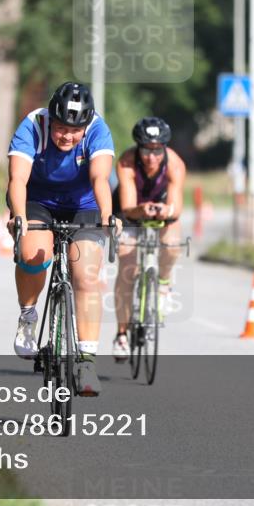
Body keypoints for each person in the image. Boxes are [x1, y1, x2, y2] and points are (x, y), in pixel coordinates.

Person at [6, 81, 119, 396]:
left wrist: (108, 216)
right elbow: (17, 178)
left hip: (84, 204)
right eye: (60, 128)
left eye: (75, 130)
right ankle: (28, 315)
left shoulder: (98, 129)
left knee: (86, 276)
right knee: (33, 254)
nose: (67, 135)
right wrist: (18, 217)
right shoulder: (32, 125)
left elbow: (99, 177)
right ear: (50, 120)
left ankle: (85, 360)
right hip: (38, 200)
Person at [111, 117, 186, 362]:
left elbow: (177, 208)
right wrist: (142, 211)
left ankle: (163, 284)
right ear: (138, 147)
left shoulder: (175, 164)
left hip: (162, 208)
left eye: (156, 151)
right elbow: (128, 207)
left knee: (172, 245)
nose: (151, 157)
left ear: (163, 148)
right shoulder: (127, 162)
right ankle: (122, 334)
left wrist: (167, 211)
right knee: (127, 266)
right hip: (131, 211)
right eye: (145, 150)